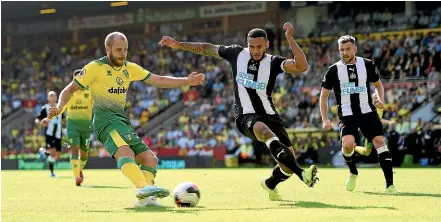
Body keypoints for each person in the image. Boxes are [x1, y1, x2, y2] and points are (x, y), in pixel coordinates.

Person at [159, 22, 319, 201]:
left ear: (267, 44)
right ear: (247, 44)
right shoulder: (237, 53)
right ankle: (302, 174)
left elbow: (301, 66)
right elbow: (207, 48)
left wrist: (290, 38)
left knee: (287, 164)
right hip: (246, 116)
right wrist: (179, 44)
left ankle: (270, 184)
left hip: (270, 115)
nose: (255, 50)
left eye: (259, 46)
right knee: (264, 132)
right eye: (252, 46)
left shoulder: (274, 62)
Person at [48, 32, 205, 207]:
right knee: (126, 152)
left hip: (121, 122)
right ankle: (143, 188)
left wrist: (186, 81)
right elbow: (69, 90)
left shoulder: (129, 68)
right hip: (105, 122)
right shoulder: (94, 67)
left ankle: (146, 201)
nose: (123, 53)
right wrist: (60, 107)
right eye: (118, 50)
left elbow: (158, 80)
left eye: (125, 50)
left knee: (149, 159)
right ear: (108, 49)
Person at [319, 35, 397, 193]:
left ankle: (390, 185)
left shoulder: (367, 64)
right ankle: (353, 172)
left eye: (348, 49)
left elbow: (379, 86)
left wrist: (380, 99)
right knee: (348, 145)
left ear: (355, 48)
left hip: (368, 111)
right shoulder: (333, 70)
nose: (345, 52)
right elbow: (324, 96)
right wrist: (325, 119)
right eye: (341, 50)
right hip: (347, 115)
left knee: (380, 142)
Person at [48, 69, 93, 186]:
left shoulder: (90, 92)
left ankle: (79, 169)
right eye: (75, 78)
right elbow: (61, 107)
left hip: (86, 126)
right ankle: (77, 177)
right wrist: (52, 115)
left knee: (84, 153)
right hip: (72, 125)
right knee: (74, 148)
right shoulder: (70, 93)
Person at [355, 90, 393, 156]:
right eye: (374, 98)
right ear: (371, 100)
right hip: (369, 132)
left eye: (377, 98)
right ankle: (354, 147)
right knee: (367, 152)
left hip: (378, 132)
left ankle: (385, 161)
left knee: (384, 146)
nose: (376, 99)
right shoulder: (368, 109)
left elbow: (379, 119)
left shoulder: (380, 107)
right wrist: (388, 122)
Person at [35, 91, 63, 177]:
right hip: (49, 134)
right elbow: (37, 119)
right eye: (51, 96)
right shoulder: (45, 108)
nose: (53, 97)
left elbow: (64, 118)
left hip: (58, 134)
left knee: (57, 156)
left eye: (54, 95)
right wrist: (40, 122)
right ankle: (52, 172)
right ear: (48, 98)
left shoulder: (61, 107)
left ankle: (44, 152)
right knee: (53, 152)